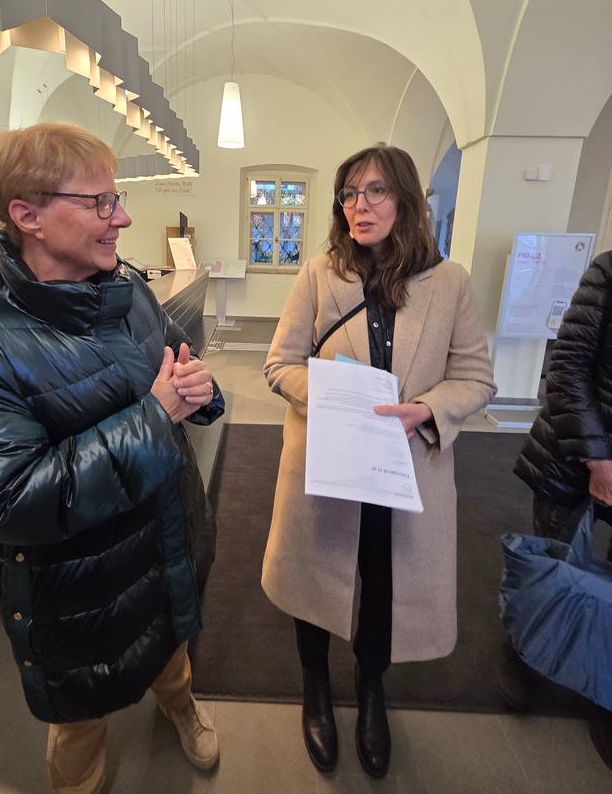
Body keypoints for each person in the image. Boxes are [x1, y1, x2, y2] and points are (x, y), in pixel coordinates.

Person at [0, 123, 224, 794]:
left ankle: (181, 707)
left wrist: (199, 392)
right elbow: (1, 499)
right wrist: (156, 418)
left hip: (166, 538)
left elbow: (177, 367)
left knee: (173, 654)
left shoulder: (128, 287)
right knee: (81, 718)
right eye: (99, 202)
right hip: (78, 586)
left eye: (117, 198)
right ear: (27, 215)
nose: (122, 218)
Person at [262, 145, 496, 778]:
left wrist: (425, 409)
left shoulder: (450, 282)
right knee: (314, 576)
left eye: (375, 192)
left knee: (385, 583)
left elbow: (476, 378)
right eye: (348, 194)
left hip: (405, 466)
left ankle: (371, 691)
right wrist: (334, 398)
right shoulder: (320, 274)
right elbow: (279, 364)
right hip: (326, 460)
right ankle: (315, 688)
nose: (358, 206)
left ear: (406, 200)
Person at [510, 250, 612, 770]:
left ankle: (602, 688)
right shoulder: (608, 272)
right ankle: (527, 661)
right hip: (574, 455)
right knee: (552, 565)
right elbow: (567, 367)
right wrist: (599, 459)